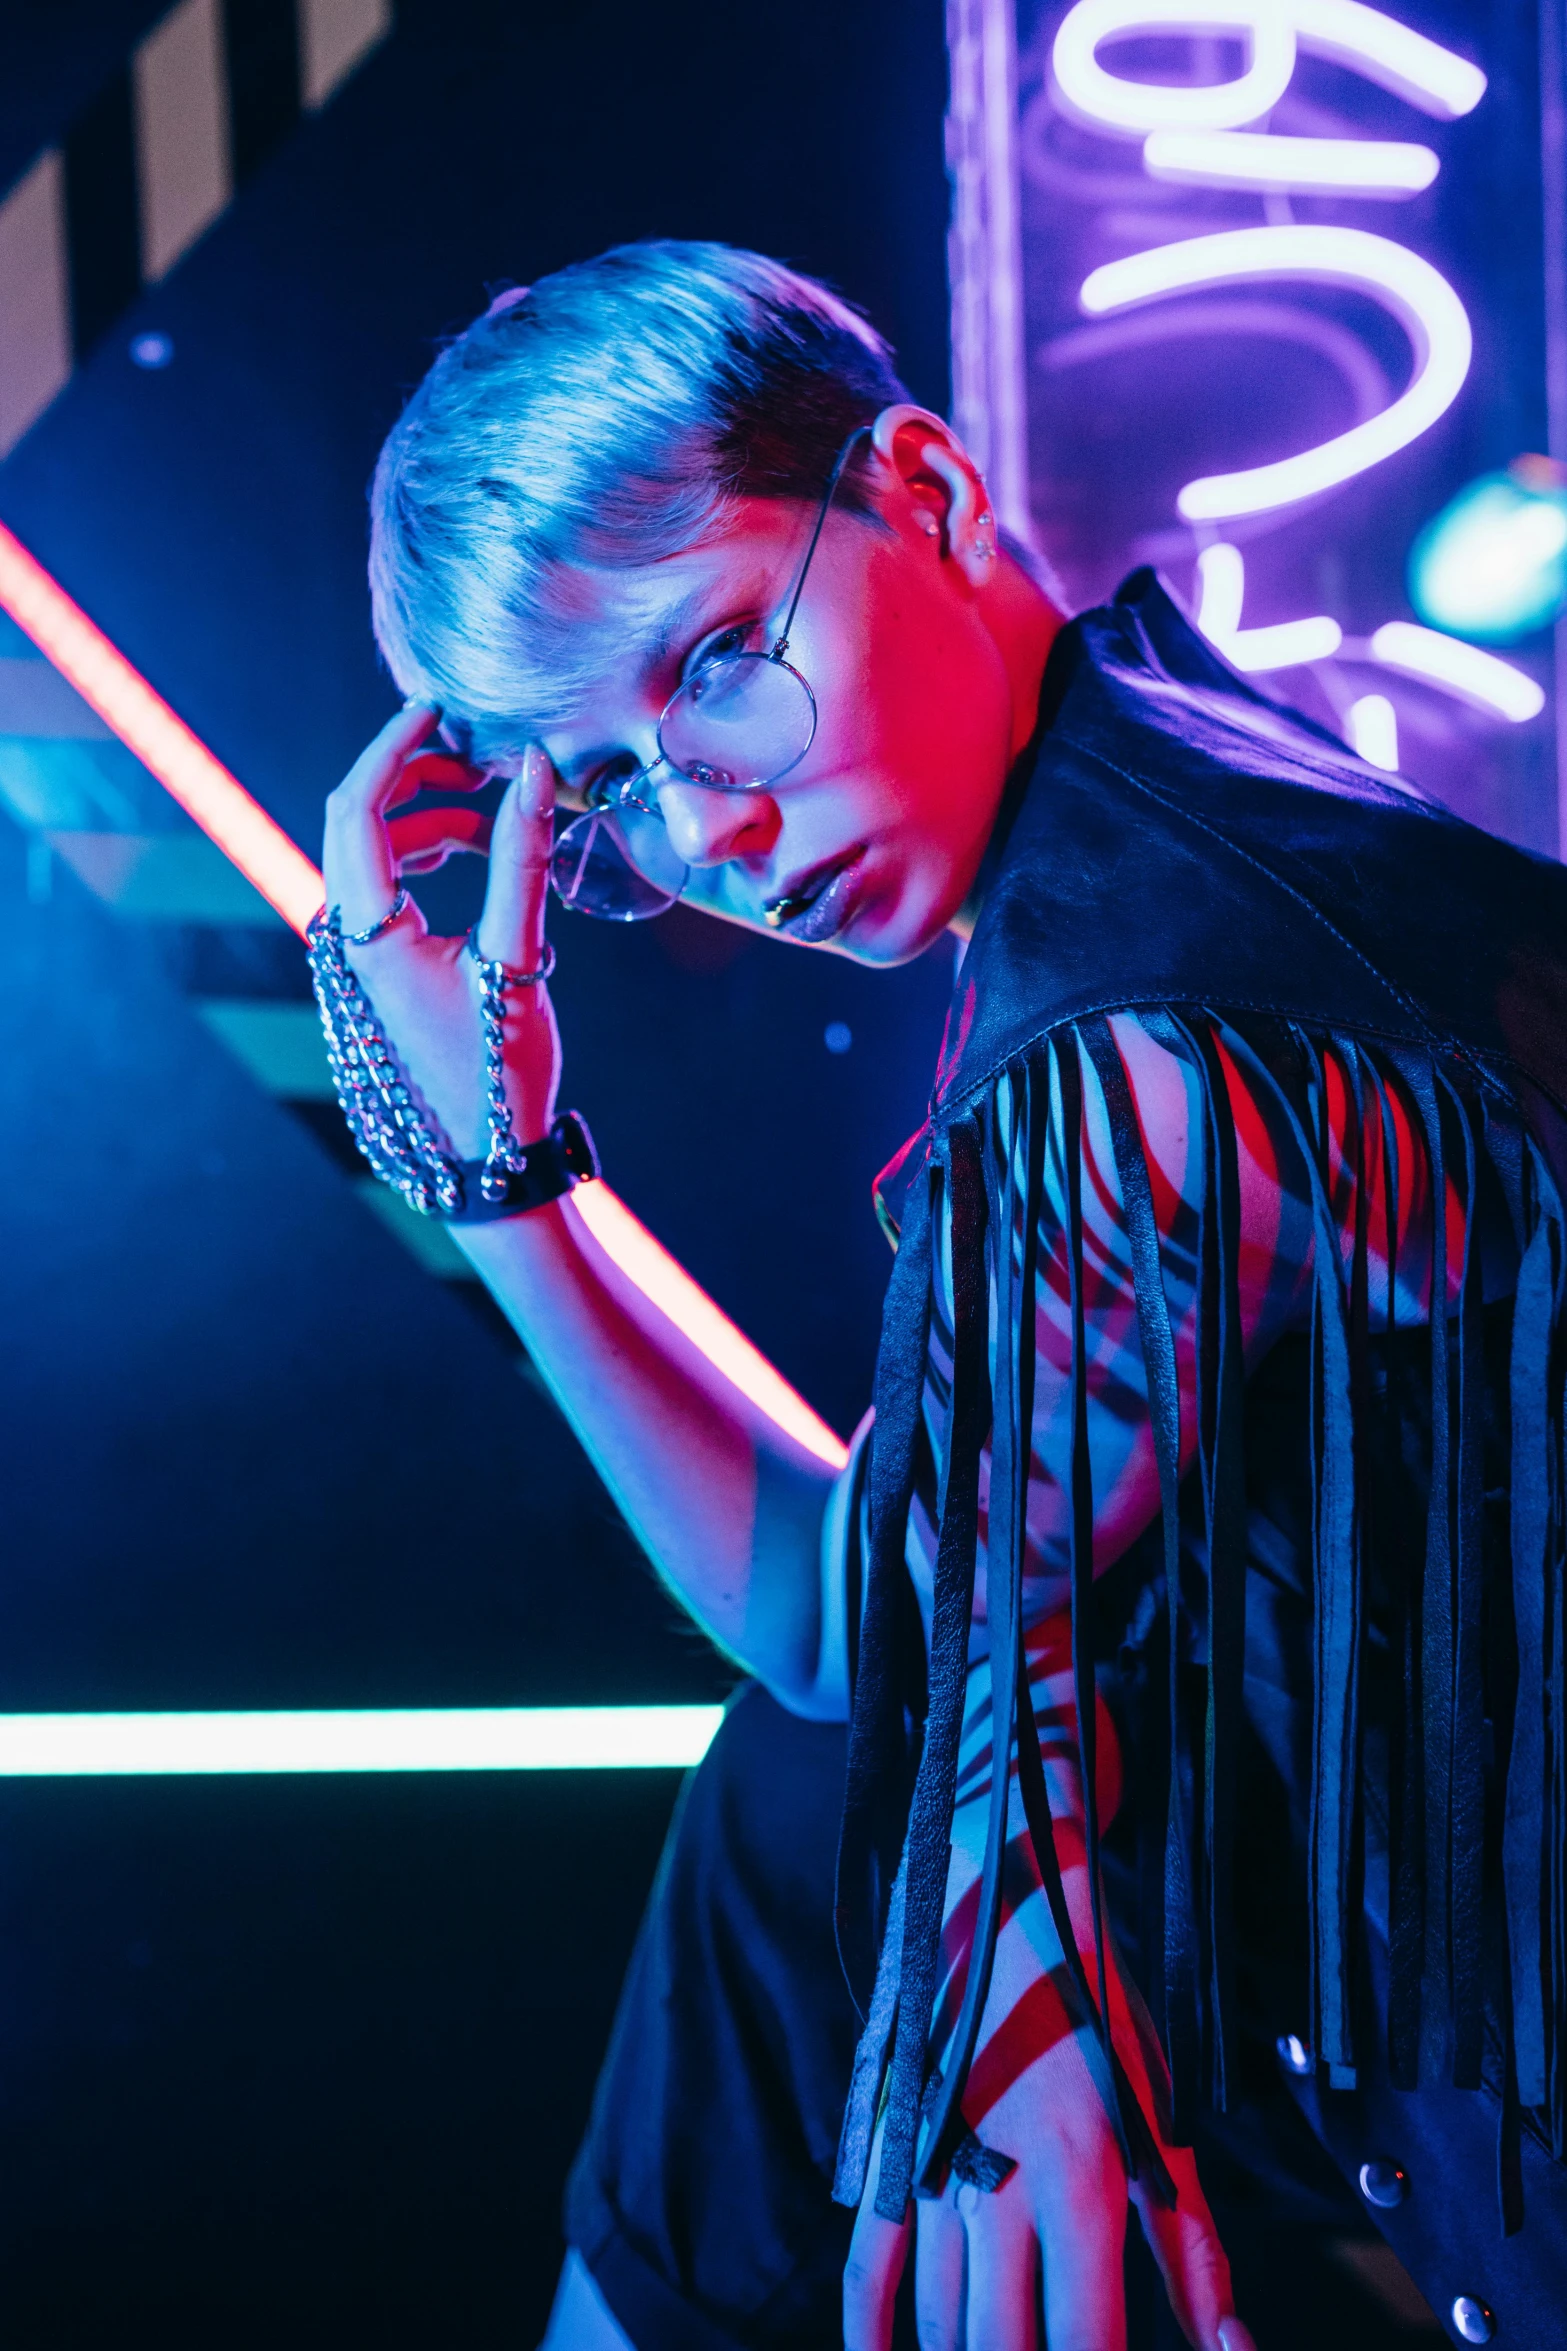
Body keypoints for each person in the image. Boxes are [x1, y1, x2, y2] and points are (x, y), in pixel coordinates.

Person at [314, 241, 1567, 2349]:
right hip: (1453, 1994)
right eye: (610, 781)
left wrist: (1016, 2000)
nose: (707, 821)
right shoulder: (1173, 814)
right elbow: (856, 1611)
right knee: (793, 1822)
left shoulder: (1131, 1038)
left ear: (927, 487)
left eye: (717, 654)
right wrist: (502, 1167)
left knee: (802, 1843)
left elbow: (850, 1637)